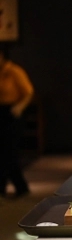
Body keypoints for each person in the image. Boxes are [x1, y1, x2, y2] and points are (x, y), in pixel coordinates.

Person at [0, 44, 34, 199]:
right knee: (2, 152)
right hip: (0, 113)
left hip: (12, 113)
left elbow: (29, 92)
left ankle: (21, 186)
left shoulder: (14, 71)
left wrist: (19, 107)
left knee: (10, 151)